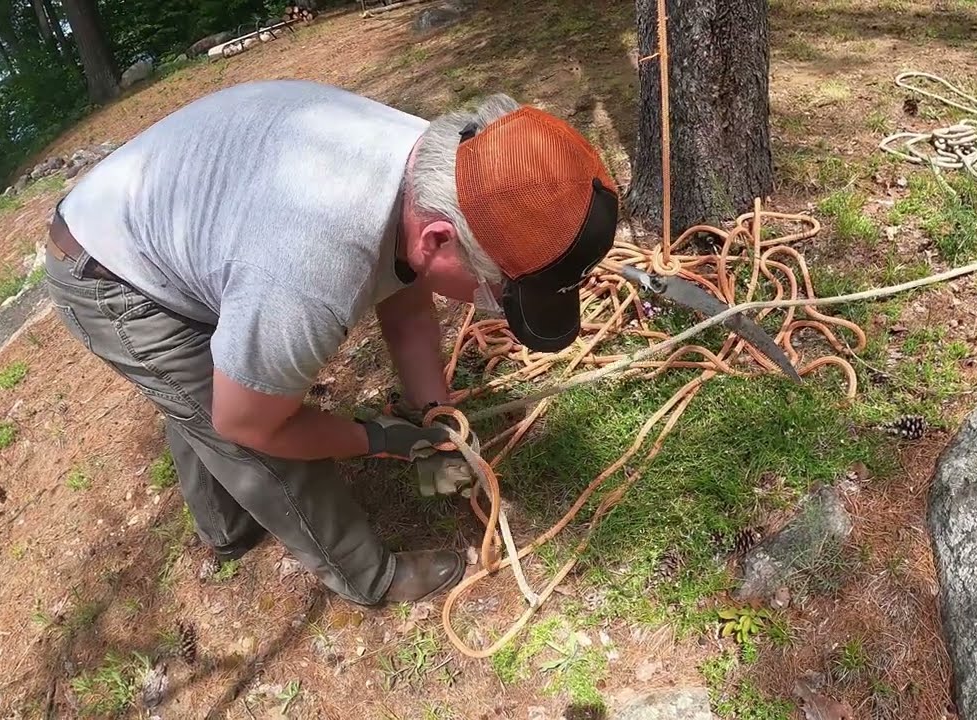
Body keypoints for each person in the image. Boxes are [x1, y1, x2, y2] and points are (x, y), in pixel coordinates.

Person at [42, 79, 618, 606]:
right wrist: (375, 440)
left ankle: (226, 533)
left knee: (203, 394)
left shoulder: (448, 166)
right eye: (497, 293)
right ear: (439, 238)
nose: (490, 306)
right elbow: (250, 424)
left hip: (187, 222)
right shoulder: (310, 272)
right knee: (242, 432)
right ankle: (368, 576)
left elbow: (407, 287)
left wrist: (433, 418)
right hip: (112, 272)